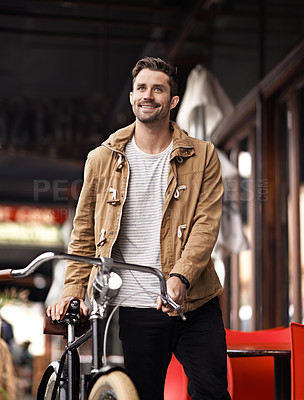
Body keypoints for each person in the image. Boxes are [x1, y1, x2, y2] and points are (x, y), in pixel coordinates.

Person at [47, 56, 231, 400]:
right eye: (142, 88)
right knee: (143, 395)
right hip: (135, 305)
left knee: (212, 392)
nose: (149, 95)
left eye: (158, 89)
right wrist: (73, 288)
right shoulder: (101, 159)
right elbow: (84, 232)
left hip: (195, 300)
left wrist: (180, 277)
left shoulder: (203, 156)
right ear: (132, 97)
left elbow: (206, 224)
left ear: (172, 101)